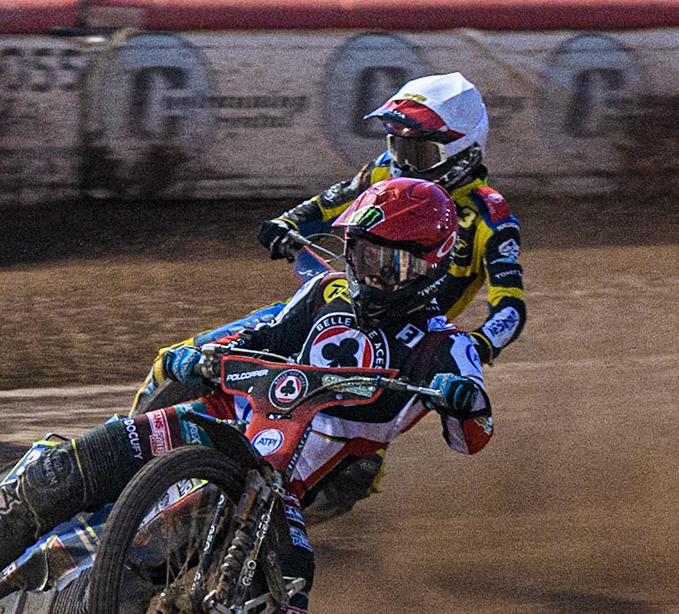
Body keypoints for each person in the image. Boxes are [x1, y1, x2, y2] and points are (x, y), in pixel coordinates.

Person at [0, 177, 496, 614]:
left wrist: (464, 401)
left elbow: (474, 439)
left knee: (252, 597)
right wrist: (203, 357)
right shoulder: (324, 294)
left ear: (430, 265)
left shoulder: (447, 348)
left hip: (278, 487)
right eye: (361, 255)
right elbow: (263, 332)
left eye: (386, 263)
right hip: (216, 425)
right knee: (61, 470)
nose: (368, 274)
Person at [136, 72, 523, 524]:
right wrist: (288, 223)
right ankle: (133, 462)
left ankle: (263, 543)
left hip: (404, 352)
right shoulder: (384, 172)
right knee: (186, 358)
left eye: (416, 151)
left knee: (356, 472)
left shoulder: (489, 218)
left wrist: (480, 344)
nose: (400, 161)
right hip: (335, 307)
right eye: (396, 146)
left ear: (462, 151)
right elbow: (328, 205)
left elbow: (511, 308)